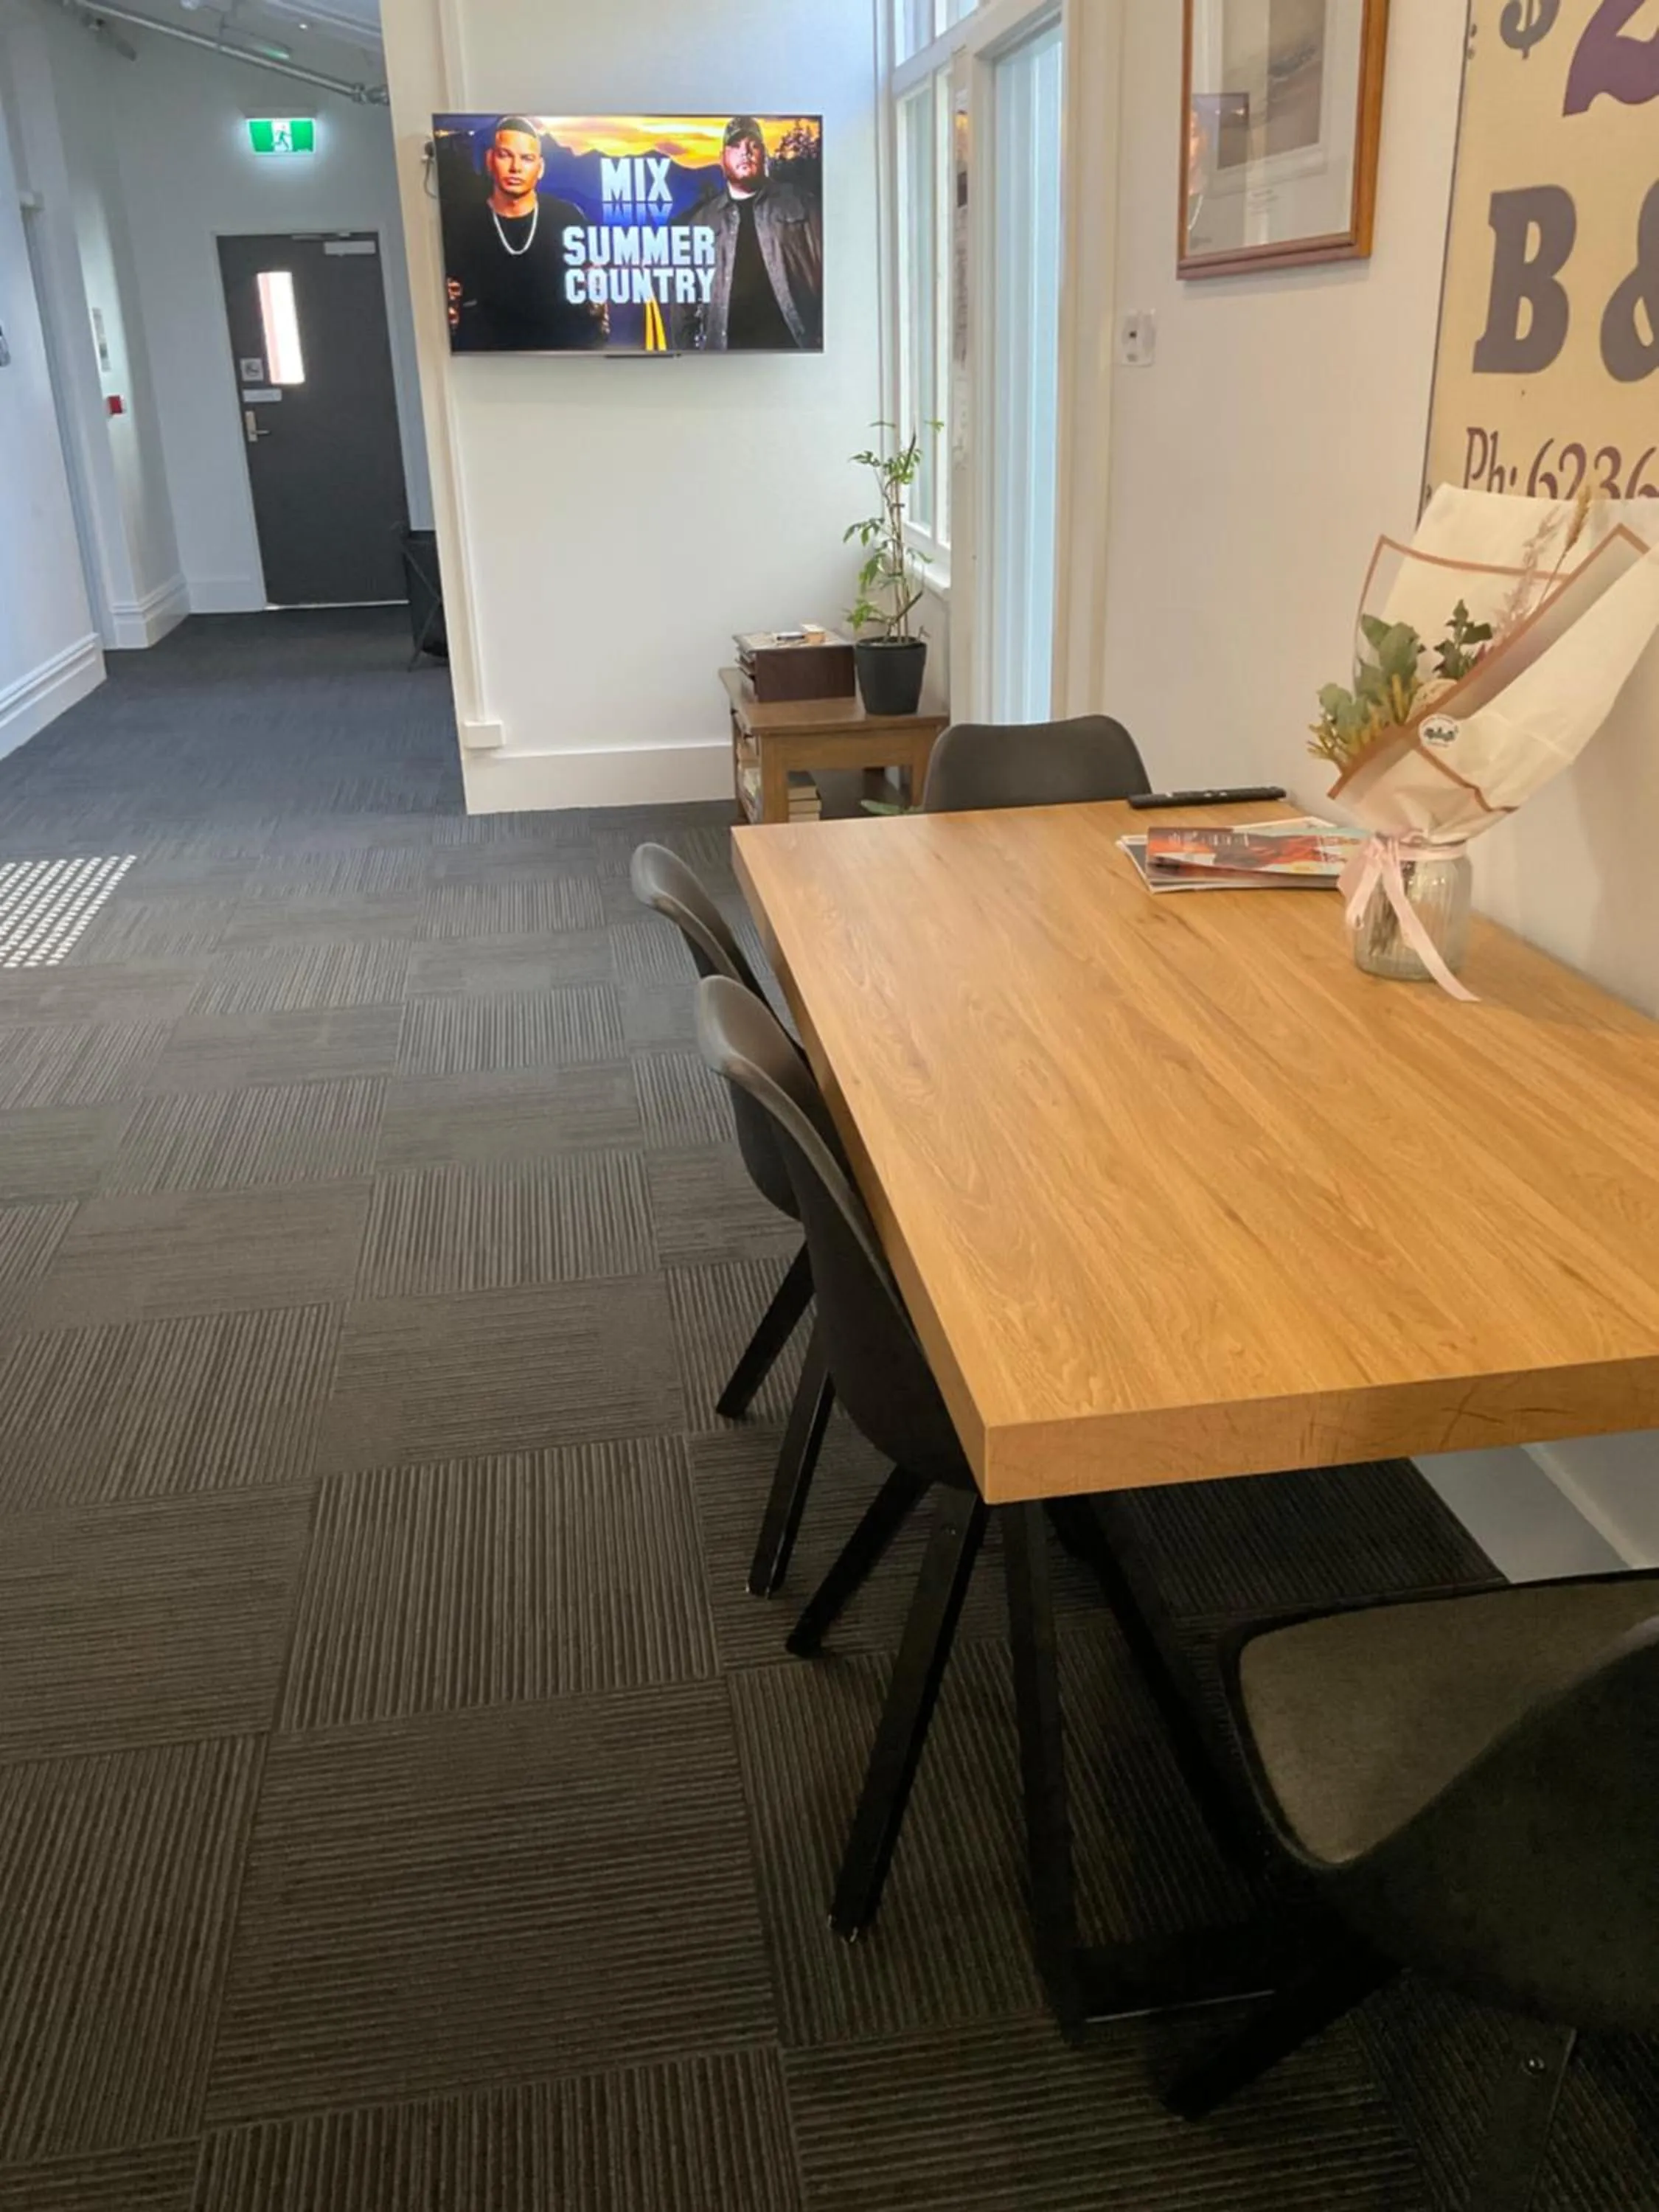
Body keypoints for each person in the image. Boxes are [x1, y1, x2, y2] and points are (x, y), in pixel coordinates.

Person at [442, 116, 606, 353]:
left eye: (527, 158)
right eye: (505, 155)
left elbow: (594, 296)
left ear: (540, 168)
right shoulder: (462, 224)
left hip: (565, 360)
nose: (515, 168)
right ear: (490, 160)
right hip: (484, 364)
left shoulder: (566, 218)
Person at [680, 116, 823, 352]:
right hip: (722, 362)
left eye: (753, 145)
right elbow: (683, 307)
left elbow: (831, 276)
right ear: (722, 158)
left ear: (763, 154)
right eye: (735, 146)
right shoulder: (701, 222)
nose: (745, 152)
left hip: (793, 356)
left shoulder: (801, 204)